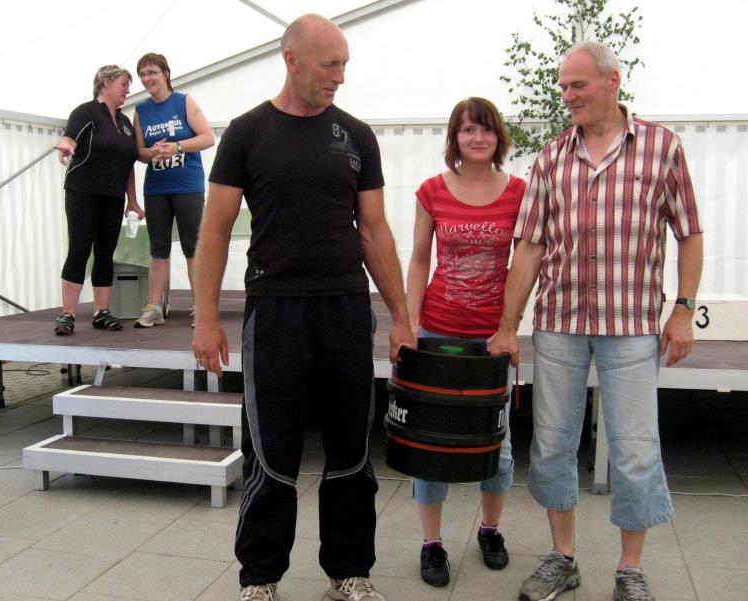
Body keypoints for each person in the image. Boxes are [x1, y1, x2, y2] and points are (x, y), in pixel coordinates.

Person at [191, 14, 414, 601]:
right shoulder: (247, 133)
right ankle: (260, 578)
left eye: (344, 64)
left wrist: (401, 317)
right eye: (329, 64)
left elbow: (374, 231)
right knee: (270, 451)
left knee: (350, 450)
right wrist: (206, 318)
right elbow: (214, 230)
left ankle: (350, 572)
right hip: (275, 309)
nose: (340, 76)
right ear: (291, 59)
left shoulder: (356, 136)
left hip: (344, 307)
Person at [488, 41, 703, 601]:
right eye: (563, 86)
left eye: (577, 85)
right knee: (552, 444)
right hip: (559, 322)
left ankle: (630, 569)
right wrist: (509, 325)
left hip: (631, 324)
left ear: (612, 81)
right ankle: (562, 558)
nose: (567, 96)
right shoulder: (551, 157)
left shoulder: (661, 147)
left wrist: (683, 310)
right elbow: (530, 246)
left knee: (634, 449)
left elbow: (688, 232)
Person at [406, 97, 525, 587]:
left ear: (499, 137)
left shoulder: (519, 192)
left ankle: (489, 530)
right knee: (431, 443)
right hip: (438, 332)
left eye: (487, 129)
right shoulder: (432, 191)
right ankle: (431, 544)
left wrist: (511, 327)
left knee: (497, 444)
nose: (478, 138)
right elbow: (419, 260)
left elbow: (525, 265)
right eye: (468, 130)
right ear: (454, 137)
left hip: (491, 340)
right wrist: (410, 324)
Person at [53, 65, 143, 335]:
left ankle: (101, 311)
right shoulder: (86, 112)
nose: (128, 90)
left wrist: (132, 200)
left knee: (106, 252)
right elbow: (70, 137)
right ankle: (67, 314)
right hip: (83, 192)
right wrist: (66, 144)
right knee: (80, 249)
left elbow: (128, 163)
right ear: (106, 82)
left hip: (113, 196)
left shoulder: (125, 123)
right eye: (124, 84)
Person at [132, 52, 214, 328]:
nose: (147, 78)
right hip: (156, 188)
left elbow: (207, 137)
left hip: (187, 186)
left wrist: (177, 147)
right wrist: (152, 152)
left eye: (152, 72)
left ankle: (201, 307)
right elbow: (139, 152)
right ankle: (154, 307)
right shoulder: (141, 110)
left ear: (165, 74)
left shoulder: (184, 101)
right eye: (143, 74)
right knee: (158, 249)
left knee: (193, 247)